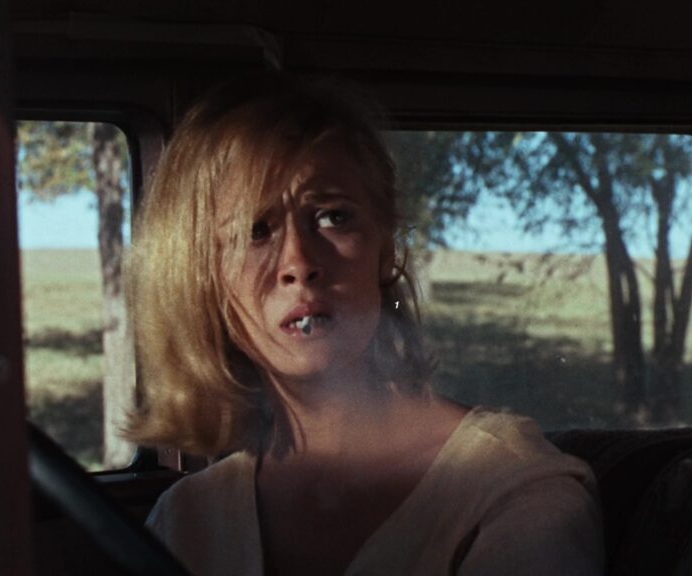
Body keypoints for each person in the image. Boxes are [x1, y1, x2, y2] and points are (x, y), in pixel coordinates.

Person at [128, 73, 603, 576]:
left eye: (334, 217)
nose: (299, 263)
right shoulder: (187, 519)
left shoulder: (510, 487)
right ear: (202, 279)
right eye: (255, 231)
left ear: (384, 250)